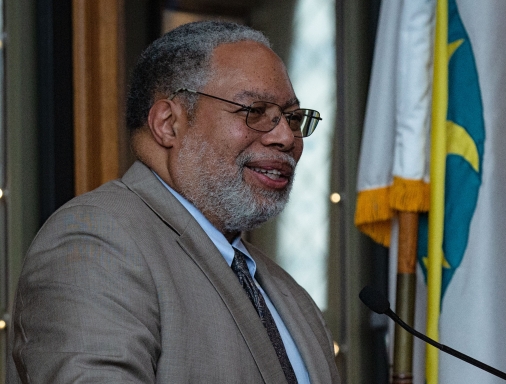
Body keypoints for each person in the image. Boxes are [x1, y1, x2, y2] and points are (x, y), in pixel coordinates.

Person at [7, 21, 340, 383]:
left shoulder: (286, 292)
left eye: (292, 118)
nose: (285, 137)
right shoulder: (93, 242)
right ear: (168, 123)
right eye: (255, 111)